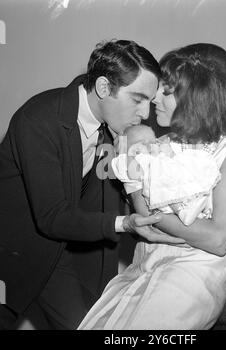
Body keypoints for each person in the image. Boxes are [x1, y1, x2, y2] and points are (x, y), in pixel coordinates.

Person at [0, 39, 184, 330]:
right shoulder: (38, 119)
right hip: (12, 252)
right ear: (102, 88)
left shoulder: (114, 130)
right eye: (137, 99)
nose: (146, 113)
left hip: (63, 255)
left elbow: (111, 197)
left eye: (149, 101)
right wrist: (126, 224)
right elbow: (52, 216)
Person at [78, 43, 226, 330]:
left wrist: (157, 219)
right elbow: (143, 215)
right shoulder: (155, 145)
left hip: (189, 281)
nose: (154, 100)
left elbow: (217, 240)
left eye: (166, 91)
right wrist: (130, 158)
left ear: (197, 96)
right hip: (141, 271)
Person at [111, 124, 221, 225]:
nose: (149, 145)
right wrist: (130, 156)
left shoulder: (159, 153)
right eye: (142, 143)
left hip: (176, 185)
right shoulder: (137, 161)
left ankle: (198, 203)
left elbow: (175, 160)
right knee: (168, 190)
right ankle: (184, 213)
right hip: (159, 195)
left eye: (152, 141)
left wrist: (167, 152)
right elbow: (134, 175)